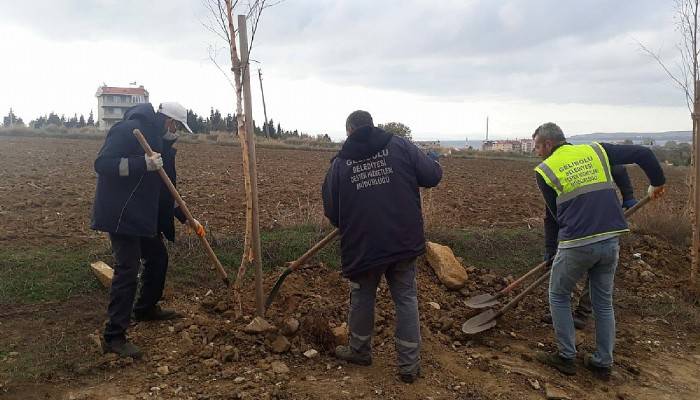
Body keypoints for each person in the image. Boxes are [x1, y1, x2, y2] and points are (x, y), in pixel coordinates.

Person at [531, 122, 665, 379]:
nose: (536, 152)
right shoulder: (596, 150)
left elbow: (553, 216)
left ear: (548, 145)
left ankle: (566, 357)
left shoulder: (545, 169)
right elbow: (643, 155)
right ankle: (603, 363)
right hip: (610, 240)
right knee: (603, 303)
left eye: (537, 146)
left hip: (577, 243)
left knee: (558, 295)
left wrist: (551, 250)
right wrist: (656, 183)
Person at [322, 110, 442, 383]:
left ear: (349, 131)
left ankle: (359, 351)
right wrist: (434, 161)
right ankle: (409, 366)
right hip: (402, 240)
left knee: (363, 297)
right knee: (406, 299)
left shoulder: (340, 164)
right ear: (372, 125)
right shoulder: (400, 145)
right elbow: (432, 176)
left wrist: (351, 221)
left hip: (363, 245)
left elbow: (332, 211)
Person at [91, 102, 204, 359]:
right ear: (167, 120)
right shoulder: (128, 130)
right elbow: (102, 164)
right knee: (127, 269)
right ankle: (114, 336)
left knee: (157, 257)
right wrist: (141, 163)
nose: (176, 131)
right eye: (175, 125)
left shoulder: (160, 145)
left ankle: (145, 308)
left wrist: (188, 219)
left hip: (141, 215)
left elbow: (166, 192)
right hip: (121, 213)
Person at [542, 164, 638, 330]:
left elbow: (619, 169)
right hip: (584, 234)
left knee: (589, 276)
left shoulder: (585, 169)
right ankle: (564, 314)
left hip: (600, 232)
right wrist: (551, 249)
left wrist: (628, 195)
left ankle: (581, 314)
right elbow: (551, 217)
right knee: (571, 276)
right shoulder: (558, 181)